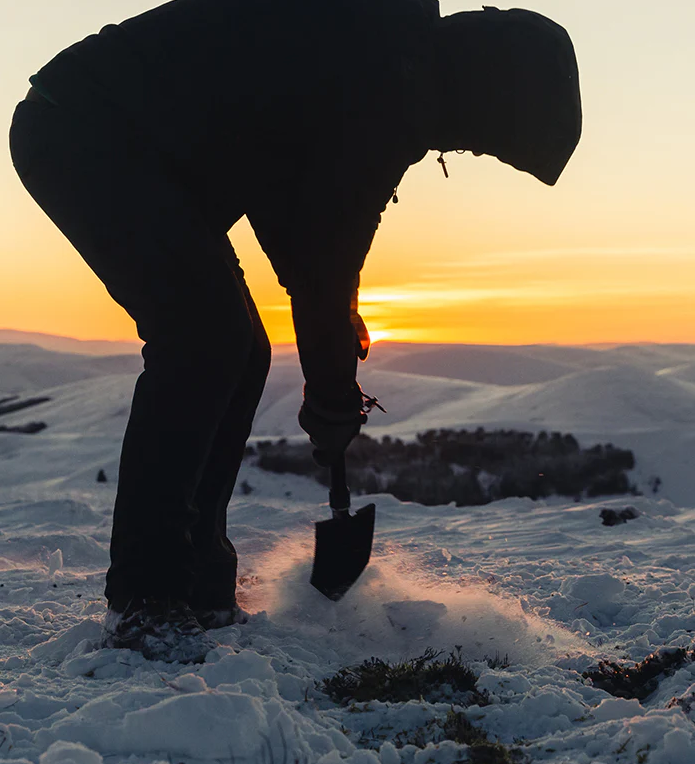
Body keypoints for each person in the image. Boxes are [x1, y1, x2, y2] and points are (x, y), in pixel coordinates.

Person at [9, 0, 581, 662]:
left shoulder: (381, 51)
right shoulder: (385, 91)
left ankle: (197, 585)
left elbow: (299, 218)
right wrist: (333, 393)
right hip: (85, 132)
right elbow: (321, 260)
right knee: (201, 337)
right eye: (479, 138)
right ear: (483, 94)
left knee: (239, 347)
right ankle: (150, 601)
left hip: (115, 136)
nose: (459, 149)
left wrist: (333, 345)